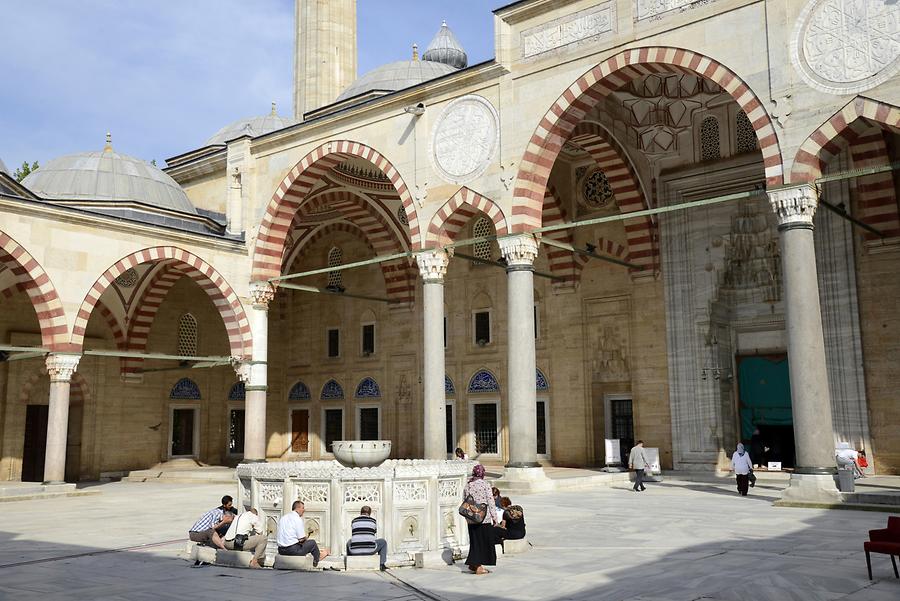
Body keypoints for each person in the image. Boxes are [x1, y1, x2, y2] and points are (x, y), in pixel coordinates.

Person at [463, 464, 498, 575]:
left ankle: (473, 564)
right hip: (484, 518)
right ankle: (479, 567)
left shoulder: (468, 485)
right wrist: (494, 518)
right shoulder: (485, 485)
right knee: (483, 543)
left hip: (472, 518)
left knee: (475, 542)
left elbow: (465, 501)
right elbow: (491, 502)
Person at [276, 500, 329, 567]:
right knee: (312, 543)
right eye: (303, 508)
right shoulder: (297, 519)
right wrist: (305, 539)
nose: (304, 510)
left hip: (281, 550)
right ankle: (316, 560)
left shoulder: (283, 518)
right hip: (292, 550)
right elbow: (301, 539)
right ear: (297, 509)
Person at [346, 506, 388, 571]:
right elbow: (374, 532)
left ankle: (350, 561)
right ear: (369, 513)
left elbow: (354, 531)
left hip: (354, 551)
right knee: (383, 542)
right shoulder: (373, 521)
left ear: (361, 512)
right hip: (370, 550)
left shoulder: (354, 521)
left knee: (349, 542)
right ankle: (382, 564)